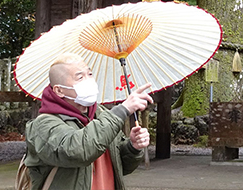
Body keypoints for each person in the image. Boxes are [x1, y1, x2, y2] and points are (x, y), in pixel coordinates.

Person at [24, 53, 154, 190]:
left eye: (90, 74)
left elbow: (120, 167)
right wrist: (122, 110)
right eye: (80, 77)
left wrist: (133, 147)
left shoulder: (101, 114)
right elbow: (78, 151)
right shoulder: (42, 126)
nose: (88, 80)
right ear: (59, 90)